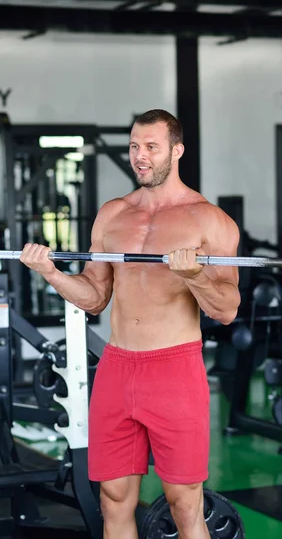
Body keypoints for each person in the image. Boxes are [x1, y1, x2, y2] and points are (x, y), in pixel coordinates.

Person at [20, 109, 241, 539]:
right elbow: (96, 296)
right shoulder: (113, 215)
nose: (141, 156)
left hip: (174, 370)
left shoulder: (208, 220)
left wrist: (194, 276)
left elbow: (227, 308)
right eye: (135, 147)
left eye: (152, 147)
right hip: (118, 368)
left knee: (184, 504)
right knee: (113, 499)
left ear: (176, 151)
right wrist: (51, 273)